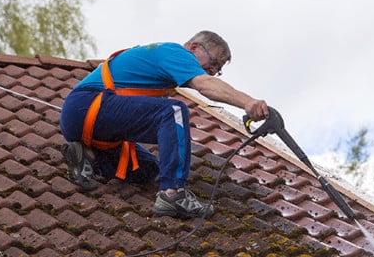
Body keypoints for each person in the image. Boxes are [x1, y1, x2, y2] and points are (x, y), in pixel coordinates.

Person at [59, 30, 269, 218]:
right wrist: (247, 102)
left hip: (86, 122)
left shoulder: (158, 69)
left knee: (148, 170)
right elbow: (205, 86)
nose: (211, 72)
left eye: (217, 70)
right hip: (88, 105)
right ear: (194, 47)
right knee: (173, 111)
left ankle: (86, 156)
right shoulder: (175, 52)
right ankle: (173, 193)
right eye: (213, 63)